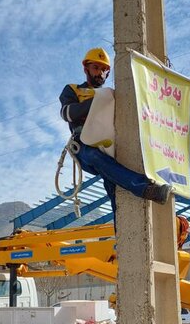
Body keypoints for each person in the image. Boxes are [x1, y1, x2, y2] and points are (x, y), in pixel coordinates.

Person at [59, 47, 172, 216]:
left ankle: (120, 233)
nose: (100, 73)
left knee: (113, 187)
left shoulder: (111, 95)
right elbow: (67, 113)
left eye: (104, 70)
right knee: (94, 157)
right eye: (96, 68)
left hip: (108, 145)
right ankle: (145, 189)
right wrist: (97, 102)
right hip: (83, 145)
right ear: (86, 69)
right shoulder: (73, 90)